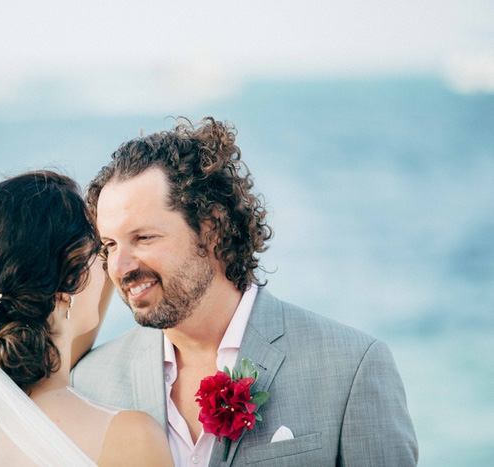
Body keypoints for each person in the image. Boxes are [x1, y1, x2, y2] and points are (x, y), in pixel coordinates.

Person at [72, 118, 418, 466]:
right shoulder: (89, 383)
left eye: (143, 238)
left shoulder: (352, 367)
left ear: (210, 228)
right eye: (110, 245)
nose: (119, 267)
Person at [0, 171, 173, 466]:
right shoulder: (130, 438)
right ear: (65, 287)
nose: (111, 267)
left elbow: (63, 334)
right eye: (101, 250)